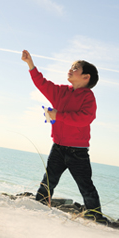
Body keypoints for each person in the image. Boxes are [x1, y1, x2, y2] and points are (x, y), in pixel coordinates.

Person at [21, 49, 104, 221]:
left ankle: (96, 218)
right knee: (48, 181)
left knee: (86, 187)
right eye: (71, 67)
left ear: (86, 77)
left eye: (75, 68)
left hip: (78, 152)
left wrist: (58, 115)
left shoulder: (88, 97)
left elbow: (84, 119)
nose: (71, 69)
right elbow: (42, 83)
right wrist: (31, 65)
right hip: (58, 147)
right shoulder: (61, 92)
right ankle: (39, 207)